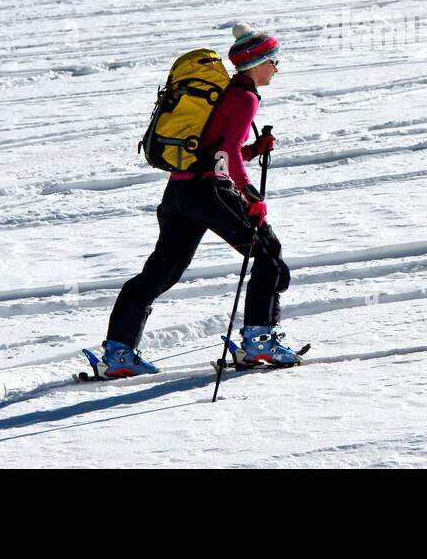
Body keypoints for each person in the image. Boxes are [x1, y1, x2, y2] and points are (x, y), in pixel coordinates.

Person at [98, 23, 294, 377]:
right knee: (268, 254)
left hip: (180, 192)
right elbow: (228, 153)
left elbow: (218, 149)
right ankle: (259, 343)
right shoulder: (245, 96)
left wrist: (253, 150)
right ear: (257, 62)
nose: (277, 68)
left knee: (162, 269)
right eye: (274, 60)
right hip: (209, 192)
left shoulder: (228, 94)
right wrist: (249, 194)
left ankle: (119, 353)